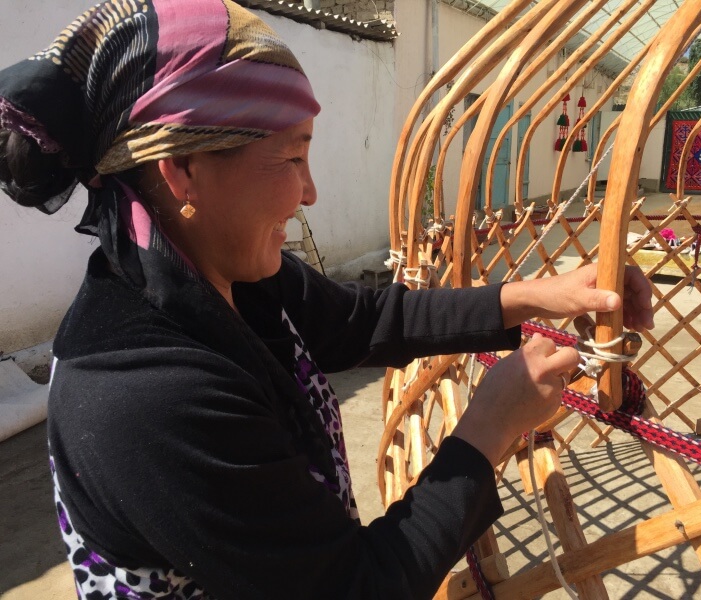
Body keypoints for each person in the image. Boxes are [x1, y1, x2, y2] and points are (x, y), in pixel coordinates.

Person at [0, 1, 654, 598]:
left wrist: (542, 295)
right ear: (182, 170)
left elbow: (368, 319)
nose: (310, 193)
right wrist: (489, 427)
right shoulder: (147, 394)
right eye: (292, 159)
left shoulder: (231, 280)